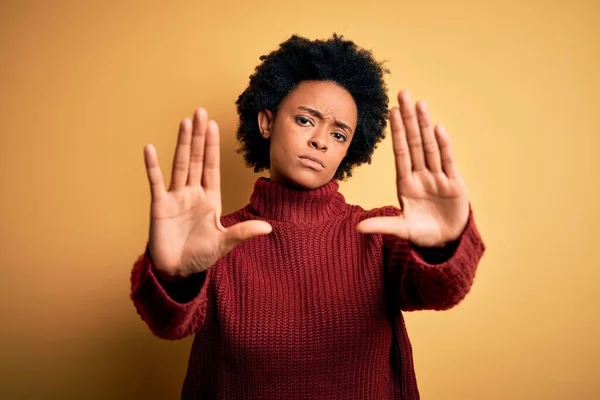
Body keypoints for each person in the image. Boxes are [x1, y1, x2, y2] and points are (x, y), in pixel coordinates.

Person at [130, 33, 486, 399]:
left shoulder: (380, 233)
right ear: (266, 122)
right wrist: (175, 275)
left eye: (338, 134)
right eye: (304, 120)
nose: (321, 141)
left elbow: (441, 290)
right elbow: (168, 323)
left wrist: (445, 245)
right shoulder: (217, 242)